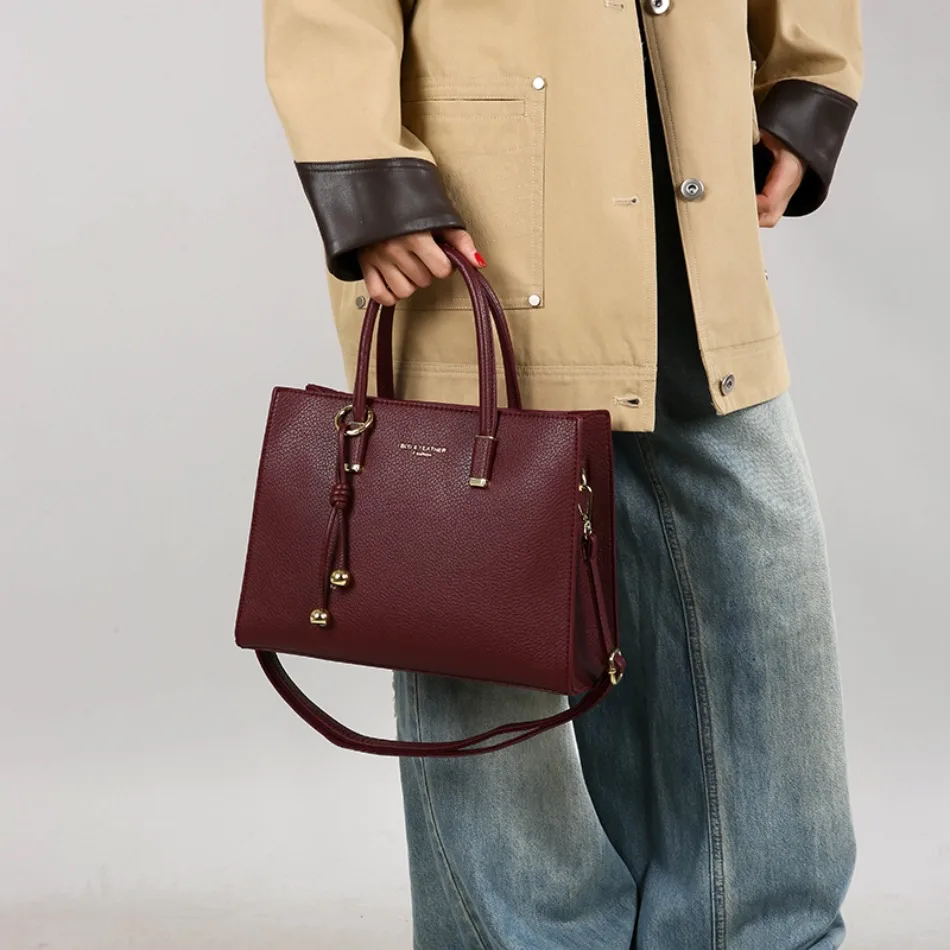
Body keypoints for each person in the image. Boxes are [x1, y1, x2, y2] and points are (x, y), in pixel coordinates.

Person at [261, 0, 864, 946]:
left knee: (757, 595)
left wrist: (808, 74)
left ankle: (762, 934)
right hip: (478, 195)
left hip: (692, 175)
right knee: (476, 604)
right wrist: (361, 163)